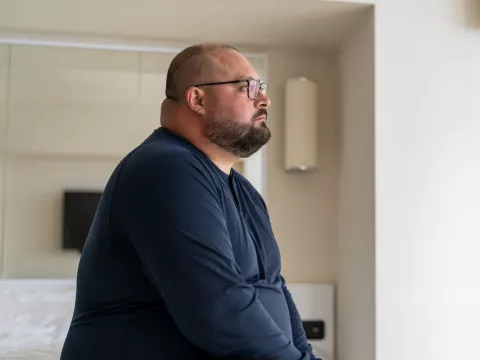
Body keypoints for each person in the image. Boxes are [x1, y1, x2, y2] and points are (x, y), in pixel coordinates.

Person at [60, 43, 319, 360]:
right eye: (247, 87)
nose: (264, 99)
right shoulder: (165, 168)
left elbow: (275, 287)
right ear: (197, 99)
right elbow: (218, 305)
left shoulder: (244, 191)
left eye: (261, 88)